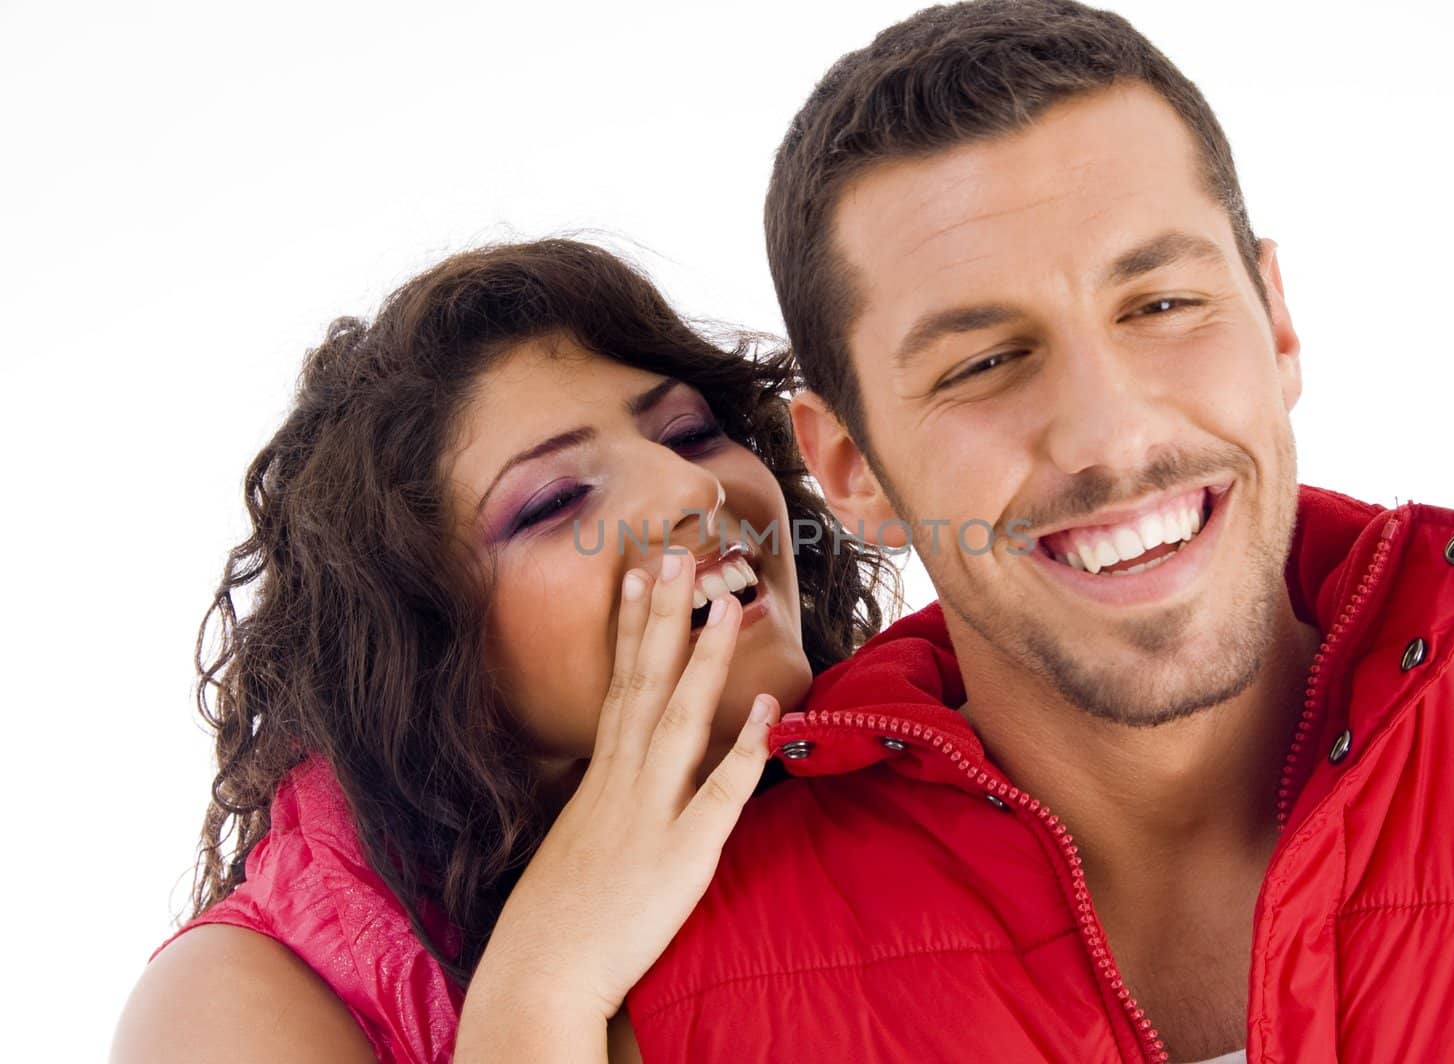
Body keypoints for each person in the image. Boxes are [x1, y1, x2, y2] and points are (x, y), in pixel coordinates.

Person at [626, 2, 1454, 1061]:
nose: (1110, 434)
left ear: (1274, 321)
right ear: (852, 468)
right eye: (982, 363)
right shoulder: (676, 998)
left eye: (1162, 303)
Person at [110, 240, 894, 1063]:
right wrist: (543, 984)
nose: (689, 489)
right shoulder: (232, 1000)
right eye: (556, 501)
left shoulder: (920, 759)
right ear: (424, 642)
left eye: (690, 433)